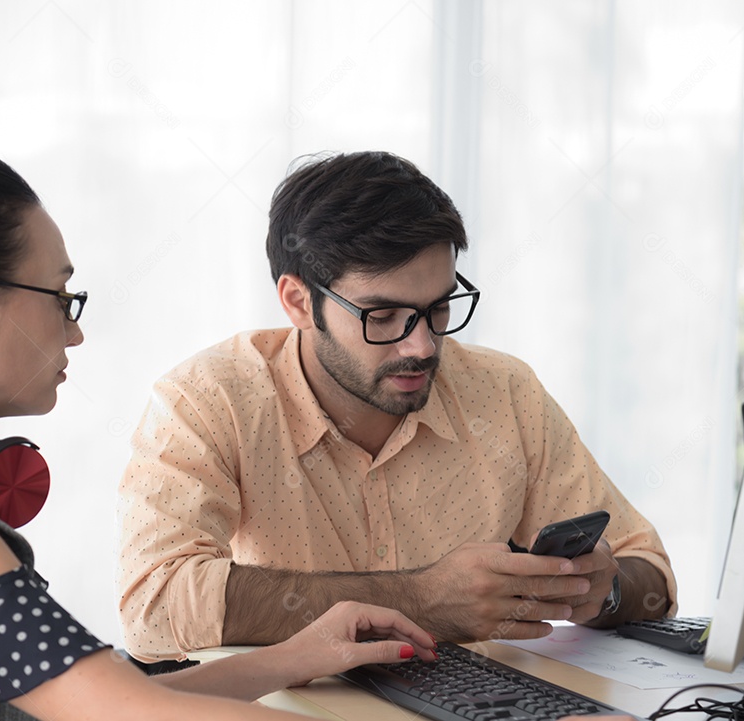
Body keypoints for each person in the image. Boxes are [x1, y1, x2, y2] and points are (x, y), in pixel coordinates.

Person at [0, 140, 441, 721]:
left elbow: (81, 702)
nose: (75, 333)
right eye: (61, 297)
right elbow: (121, 711)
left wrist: (292, 658)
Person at [117, 150, 677, 663]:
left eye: (438, 308)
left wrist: (603, 592)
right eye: (382, 317)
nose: (423, 346)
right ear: (298, 301)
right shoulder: (210, 399)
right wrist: (422, 598)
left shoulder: (505, 391)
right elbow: (154, 606)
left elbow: (651, 574)